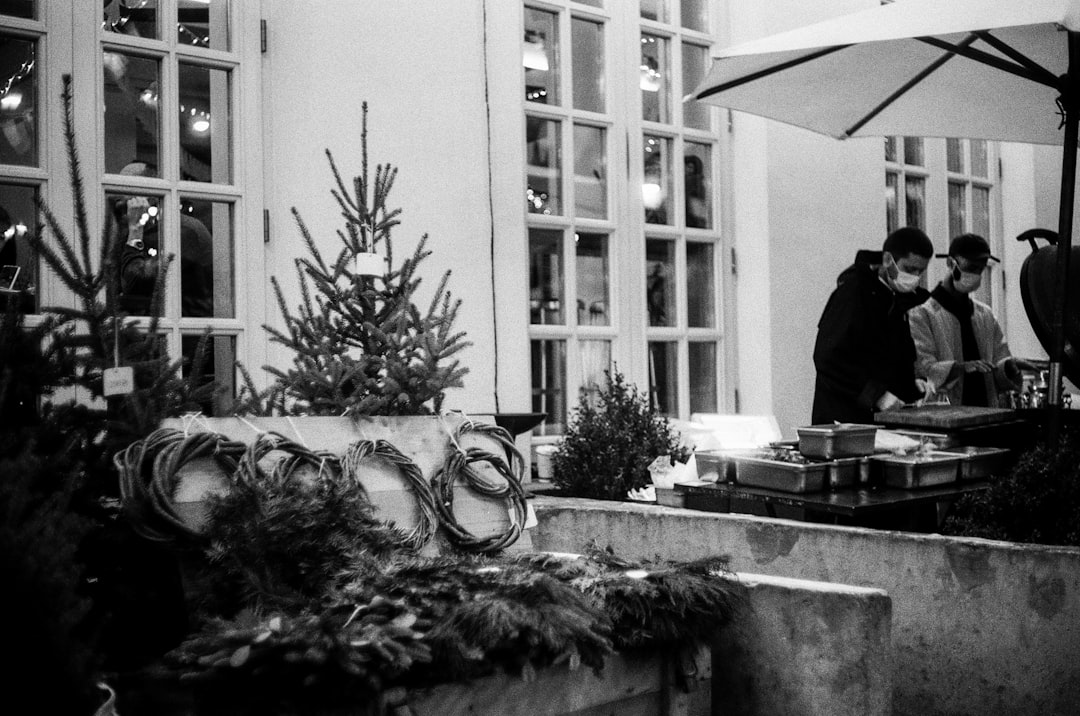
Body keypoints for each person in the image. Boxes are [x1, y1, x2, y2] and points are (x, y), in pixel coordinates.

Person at [812, 226, 935, 424]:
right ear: (888, 260)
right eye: (909, 269)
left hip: (879, 420)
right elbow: (829, 358)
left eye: (920, 271)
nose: (914, 277)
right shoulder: (852, 294)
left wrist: (912, 386)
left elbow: (891, 357)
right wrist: (877, 395)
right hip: (845, 421)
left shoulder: (897, 300)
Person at [908, 233, 1026, 407]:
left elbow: (998, 362)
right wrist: (960, 367)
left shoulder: (984, 315)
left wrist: (1009, 366)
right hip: (945, 417)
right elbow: (923, 369)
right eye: (971, 267)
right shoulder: (922, 315)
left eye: (980, 269)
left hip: (985, 414)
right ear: (950, 264)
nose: (976, 274)